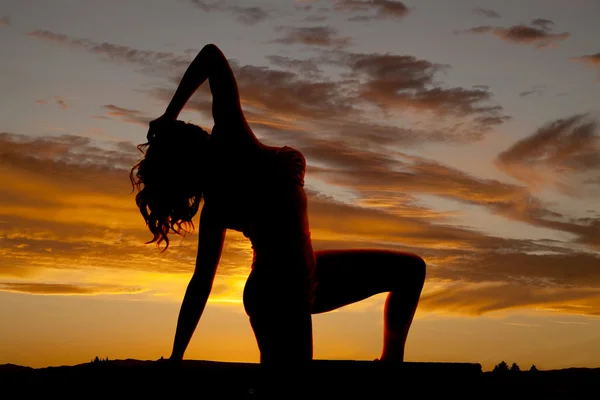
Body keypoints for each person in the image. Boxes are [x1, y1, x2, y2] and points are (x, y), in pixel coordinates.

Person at [130, 44, 426, 368]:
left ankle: (391, 362)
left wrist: (168, 115)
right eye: (186, 130)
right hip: (274, 293)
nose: (193, 127)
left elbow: (211, 56)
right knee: (289, 384)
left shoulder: (231, 139)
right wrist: (176, 356)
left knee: (410, 271)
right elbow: (201, 283)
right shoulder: (221, 187)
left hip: (309, 273)